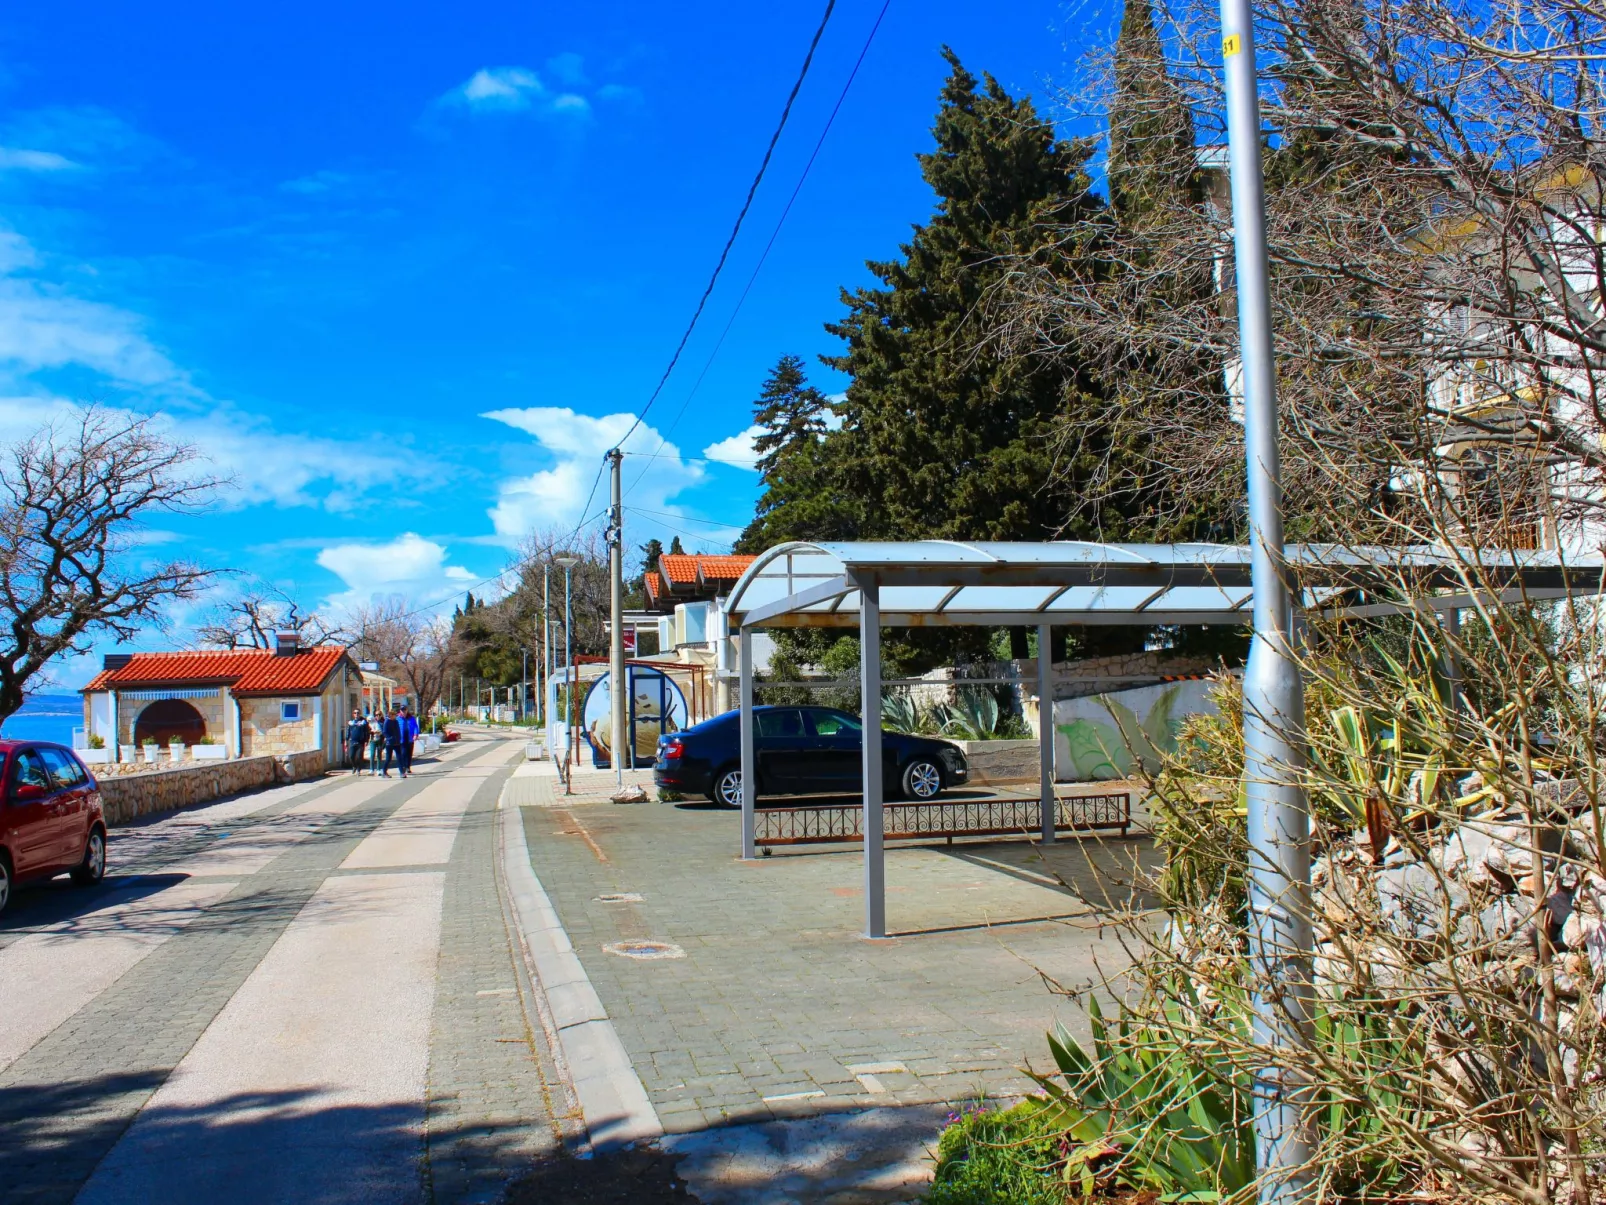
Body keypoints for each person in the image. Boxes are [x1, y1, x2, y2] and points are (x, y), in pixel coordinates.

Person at [381, 707, 404, 777]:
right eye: (394, 715)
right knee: (388, 758)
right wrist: (390, 738)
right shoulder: (387, 722)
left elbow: (398, 731)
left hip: (397, 742)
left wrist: (399, 737)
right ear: (391, 715)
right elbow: (384, 732)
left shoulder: (396, 721)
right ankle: (384, 771)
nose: (396, 716)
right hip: (389, 743)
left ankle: (402, 772)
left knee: (399, 757)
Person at [344, 708, 368, 774]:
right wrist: (346, 740)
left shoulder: (363, 722)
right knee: (351, 756)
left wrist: (366, 741)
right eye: (355, 713)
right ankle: (354, 766)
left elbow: (366, 732)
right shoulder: (351, 722)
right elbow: (348, 732)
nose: (356, 714)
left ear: (360, 714)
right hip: (352, 741)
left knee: (359, 757)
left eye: (358, 713)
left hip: (360, 742)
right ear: (353, 714)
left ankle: (358, 769)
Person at [398, 706, 420, 777]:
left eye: (405, 710)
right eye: (402, 710)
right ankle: (403, 766)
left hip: (410, 738)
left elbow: (415, 727)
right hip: (401, 739)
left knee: (409, 753)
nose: (403, 712)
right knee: (403, 753)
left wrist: (415, 734)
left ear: (407, 710)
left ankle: (408, 766)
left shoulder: (411, 718)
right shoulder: (398, 718)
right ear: (400, 711)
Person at [367, 711, 386, 776]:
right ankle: (371, 769)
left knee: (379, 755)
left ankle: (378, 769)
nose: (377, 716)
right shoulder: (372, 722)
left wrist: (379, 733)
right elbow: (368, 730)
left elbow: (384, 731)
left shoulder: (383, 722)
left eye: (379, 714)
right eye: (376, 715)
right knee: (372, 755)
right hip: (372, 740)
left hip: (380, 740)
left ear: (381, 715)